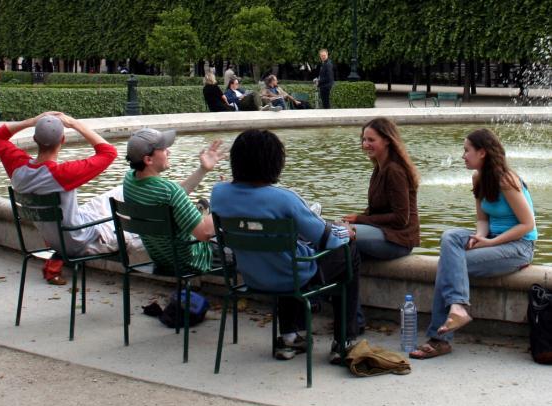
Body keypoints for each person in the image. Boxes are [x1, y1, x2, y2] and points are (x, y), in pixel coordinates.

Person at [211, 129, 360, 363]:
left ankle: (289, 338)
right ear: (274, 162)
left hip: (251, 278)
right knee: (348, 252)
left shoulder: (219, 193)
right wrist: (346, 231)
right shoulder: (284, 199)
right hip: (292, 277)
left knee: (284, 255)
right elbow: (325, 238)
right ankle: (344, 340)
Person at [410, 128, 537, 359]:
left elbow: (528, 225)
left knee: (447, 266)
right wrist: (479, 237)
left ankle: (441, 338)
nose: (463, 156)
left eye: (467, 150)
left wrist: (490, 243)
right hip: (492, 240)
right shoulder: (478, 177)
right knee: (450, 236)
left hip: (518, 247)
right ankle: (457, 307)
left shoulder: (507, 180)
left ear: (483, 153)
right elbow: (482, 220)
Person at [0, 112, 118, 285]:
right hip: (78, 241)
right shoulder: (63, 174)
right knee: (124, 218)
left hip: (53, 238)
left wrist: (33, 121)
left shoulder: (17, 169)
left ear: (35, 139)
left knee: (116, 193)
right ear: (62, 140)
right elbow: (109, 152)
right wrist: (75, 124)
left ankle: (55, 263)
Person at [343, 117, 420, 330]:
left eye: (371, 139)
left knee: (342, 240)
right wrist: (356, 218)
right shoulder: (379, 168)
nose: (365, 144)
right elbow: (377, 210)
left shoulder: (394, 170)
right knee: (344, 251)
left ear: (387, 140)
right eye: (363, 139)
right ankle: (351, 318)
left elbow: (401, 218)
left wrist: (360, 220)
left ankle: (352, 320)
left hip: (399, 239)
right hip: (384, 234)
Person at [123, 128, 226, 274]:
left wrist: (202, 170)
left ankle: (203, 210)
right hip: (193, 261)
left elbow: (174, 195)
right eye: (164, 149)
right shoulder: (168, 190)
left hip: (163, 259)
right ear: (148, 159)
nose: (169, 152)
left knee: (204, 207)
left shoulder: (130, 179)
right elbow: (204, 234)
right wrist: (224, 198)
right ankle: (205, 210)